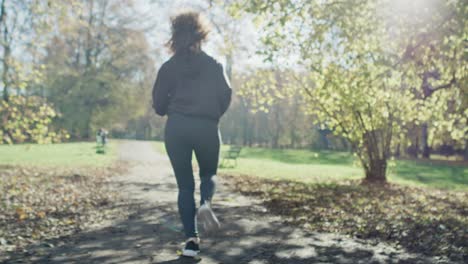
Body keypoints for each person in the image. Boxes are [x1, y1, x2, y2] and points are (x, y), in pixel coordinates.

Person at [152, 11, 232, 257]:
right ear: (202, 34)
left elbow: (158, 105)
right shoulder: (214, 65)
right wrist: (212, 114)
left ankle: (191, 242)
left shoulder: (168, 67)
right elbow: (226, 95)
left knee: (184, 186)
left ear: (175, 36)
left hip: (177, 128)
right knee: (209, 174)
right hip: (207, 127)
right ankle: (206, 204)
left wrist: (170, 108)